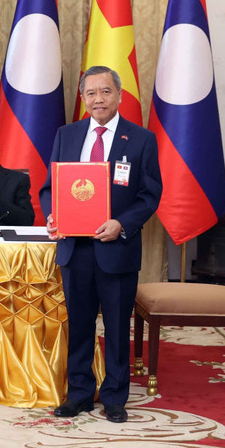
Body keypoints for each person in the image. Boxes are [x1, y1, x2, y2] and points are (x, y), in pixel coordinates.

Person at [39, 66, 162, 423]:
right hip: (74, 248)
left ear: (119, 96)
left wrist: (122, 223)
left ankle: (114, 397)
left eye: (105, 92)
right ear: (83, 98)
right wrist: (53, 216)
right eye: (91, 93)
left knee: (117, 326)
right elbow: (51, 188)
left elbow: (150, 194)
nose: (98, 99)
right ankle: (78, 394)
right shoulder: (67, 134)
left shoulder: (140, 139)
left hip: (117, 248)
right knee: (78, 325)